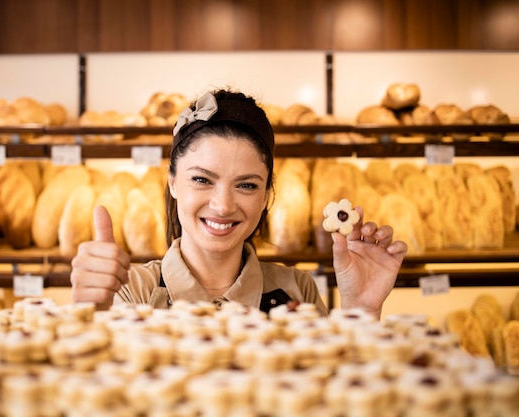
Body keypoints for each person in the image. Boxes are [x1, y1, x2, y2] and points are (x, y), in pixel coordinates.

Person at [70, 88, 408, 318]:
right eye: (202, 180)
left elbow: (335, 400)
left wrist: (360, 309)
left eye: (246, 185)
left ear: (265, 197)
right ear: (173, 183)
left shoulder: (295, 291)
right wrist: (89, 315)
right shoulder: (132, 292)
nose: (222, 205)